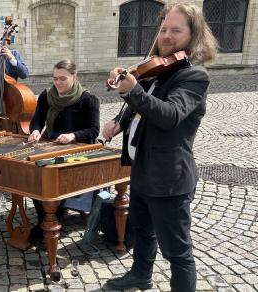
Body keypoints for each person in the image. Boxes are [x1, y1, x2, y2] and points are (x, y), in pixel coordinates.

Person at [102, 3, 218, 291]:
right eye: (164, 29)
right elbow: (140, 109)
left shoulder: (193, 76)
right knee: (142, 232)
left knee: (177, 252)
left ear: (193, 35)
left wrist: (133, 90)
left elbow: (169, 115)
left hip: (169, 180)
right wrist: (118, 122)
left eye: (176, 30)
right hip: (141, 169)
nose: (166, 35)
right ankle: (141, 275)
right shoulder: (158, 71)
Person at [27, 59, 99, 240]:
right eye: (55, 78)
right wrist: (35, 130)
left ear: (74, 77)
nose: (57, 83)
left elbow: (94, 130)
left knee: (55, 181)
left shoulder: (88, 99)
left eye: (62, 79)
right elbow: (37, 119)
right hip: (52, 146)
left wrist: (73, 135)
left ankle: (51, 220)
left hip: (79, 150)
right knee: (35, 178)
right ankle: (47, 218)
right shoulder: (46, 96)